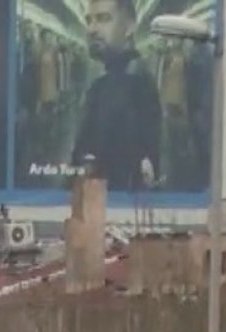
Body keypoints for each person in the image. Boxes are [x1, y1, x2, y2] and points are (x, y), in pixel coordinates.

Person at [72, 0, 161, 192]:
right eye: (89, 20)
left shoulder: (133, 84)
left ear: (130, 27)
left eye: (104, 19)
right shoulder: (105, 84)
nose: (92, 29)